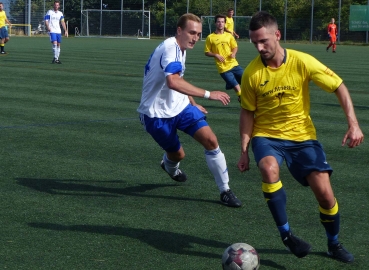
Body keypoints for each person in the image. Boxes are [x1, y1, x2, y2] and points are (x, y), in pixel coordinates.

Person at [238, 11, 364, 263]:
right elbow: (247, 112)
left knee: (325, 195)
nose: (259, 47)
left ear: (277, 35)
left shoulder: (301, 61)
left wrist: (354, 124)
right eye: (254, 42)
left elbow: (338, 85)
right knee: (268, 167)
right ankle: (287, 236)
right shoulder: (251, 73)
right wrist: (244, 150)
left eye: (263, 41)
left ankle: (333, 244)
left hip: (303, 137)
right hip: (267, 136)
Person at [137, 13, 242, 208]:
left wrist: (192, 103)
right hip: (156, 114)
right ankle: (170, 167)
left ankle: (225, 190)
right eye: (192, 32)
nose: (196, 38)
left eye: (199, 34)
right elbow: (173, 81)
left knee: (211, 140)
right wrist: (209, 94)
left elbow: (179, 80)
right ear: (179, 31)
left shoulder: (181, 48)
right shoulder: (170, 48)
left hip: (180, 105)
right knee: (178, 155)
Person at [205, 14, 243, 102]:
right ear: (215, 23)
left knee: (246, 81)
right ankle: (242, 100)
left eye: (222, 22)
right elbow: (206, 52)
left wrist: (233, 53)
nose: (220, 24)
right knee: (237, 87)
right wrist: (215, 55)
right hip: (223, 68)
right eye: (218, 22)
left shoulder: (229, 36)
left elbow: (235, 47)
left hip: (234, 64)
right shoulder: (210, 37)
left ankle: (246, 98)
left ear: (225, 23)